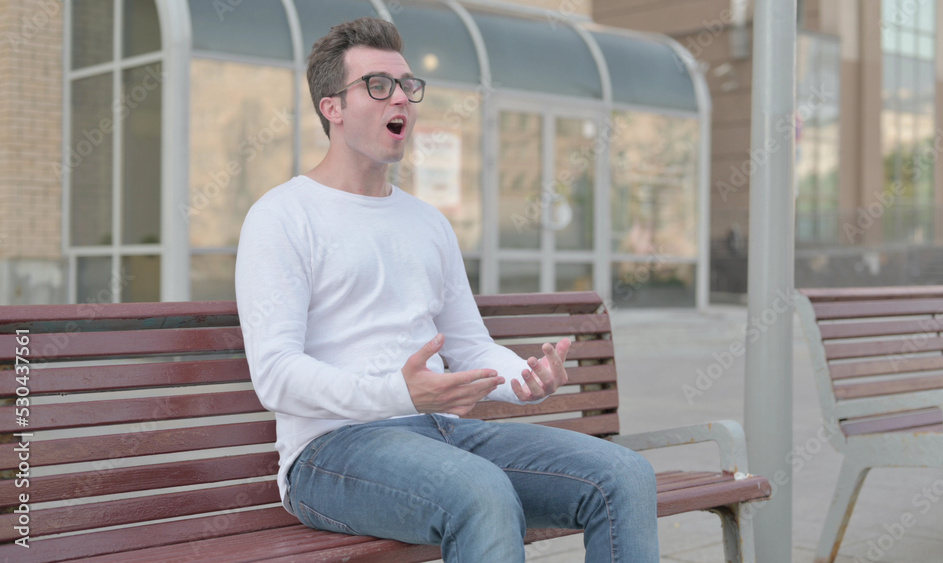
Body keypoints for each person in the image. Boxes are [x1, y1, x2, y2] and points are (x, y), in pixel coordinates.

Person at [234, 17, 659, 562]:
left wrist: (521, 377)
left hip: (444, 433)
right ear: (331, 107)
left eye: (408, 86)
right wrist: (400, 393)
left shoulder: (427, 222)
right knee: (481, 493)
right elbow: (275, 376)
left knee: (624, 475)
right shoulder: (282, 216)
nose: (402, 100)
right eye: (378, 85)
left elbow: (470, 344)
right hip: (333, 453)